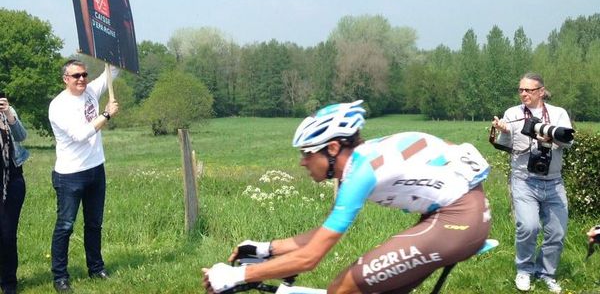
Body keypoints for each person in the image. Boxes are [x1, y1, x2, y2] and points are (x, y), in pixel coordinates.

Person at [203, 100, 492, 294]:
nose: (303, 162)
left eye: (307, 153)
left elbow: (310, 258)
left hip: (457, 221)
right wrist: (266, 249)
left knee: (342, 287)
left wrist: (236, 277)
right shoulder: (356, 165)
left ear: (331, 149)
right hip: (454, 215)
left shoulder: (360, 173)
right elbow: (323, 234)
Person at [492, 72, 573, 293]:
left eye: (528, 90)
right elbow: (505, 145)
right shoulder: (512, 113)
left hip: (554, 181)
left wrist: (550, 138)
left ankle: (546, 273)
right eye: (521, 90)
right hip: (524, 181)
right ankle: (524, 270)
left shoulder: (558, 113)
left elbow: (568, 141)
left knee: (556, 232)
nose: (524, 93)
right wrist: (504, 131)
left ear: (541, 91)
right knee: (528, 226)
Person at [48, 60, 119, 292]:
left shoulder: (90, 90)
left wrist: (113, 52)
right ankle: (60, 277)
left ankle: (96, 269)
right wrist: (106, 114)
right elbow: (80, 135)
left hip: (96, 169)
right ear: (65, 79)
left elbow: (111, 72)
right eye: (76, 76)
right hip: (70, 175)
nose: (81, 79)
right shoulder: (59, 106)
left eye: (84, 74)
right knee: (65, 226)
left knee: (94, 224)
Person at [0, 94, 29, 294]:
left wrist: (9, 113)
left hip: (13, 181)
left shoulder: (7, 112)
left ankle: (9, 282)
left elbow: (21, 136)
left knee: (8, 234)